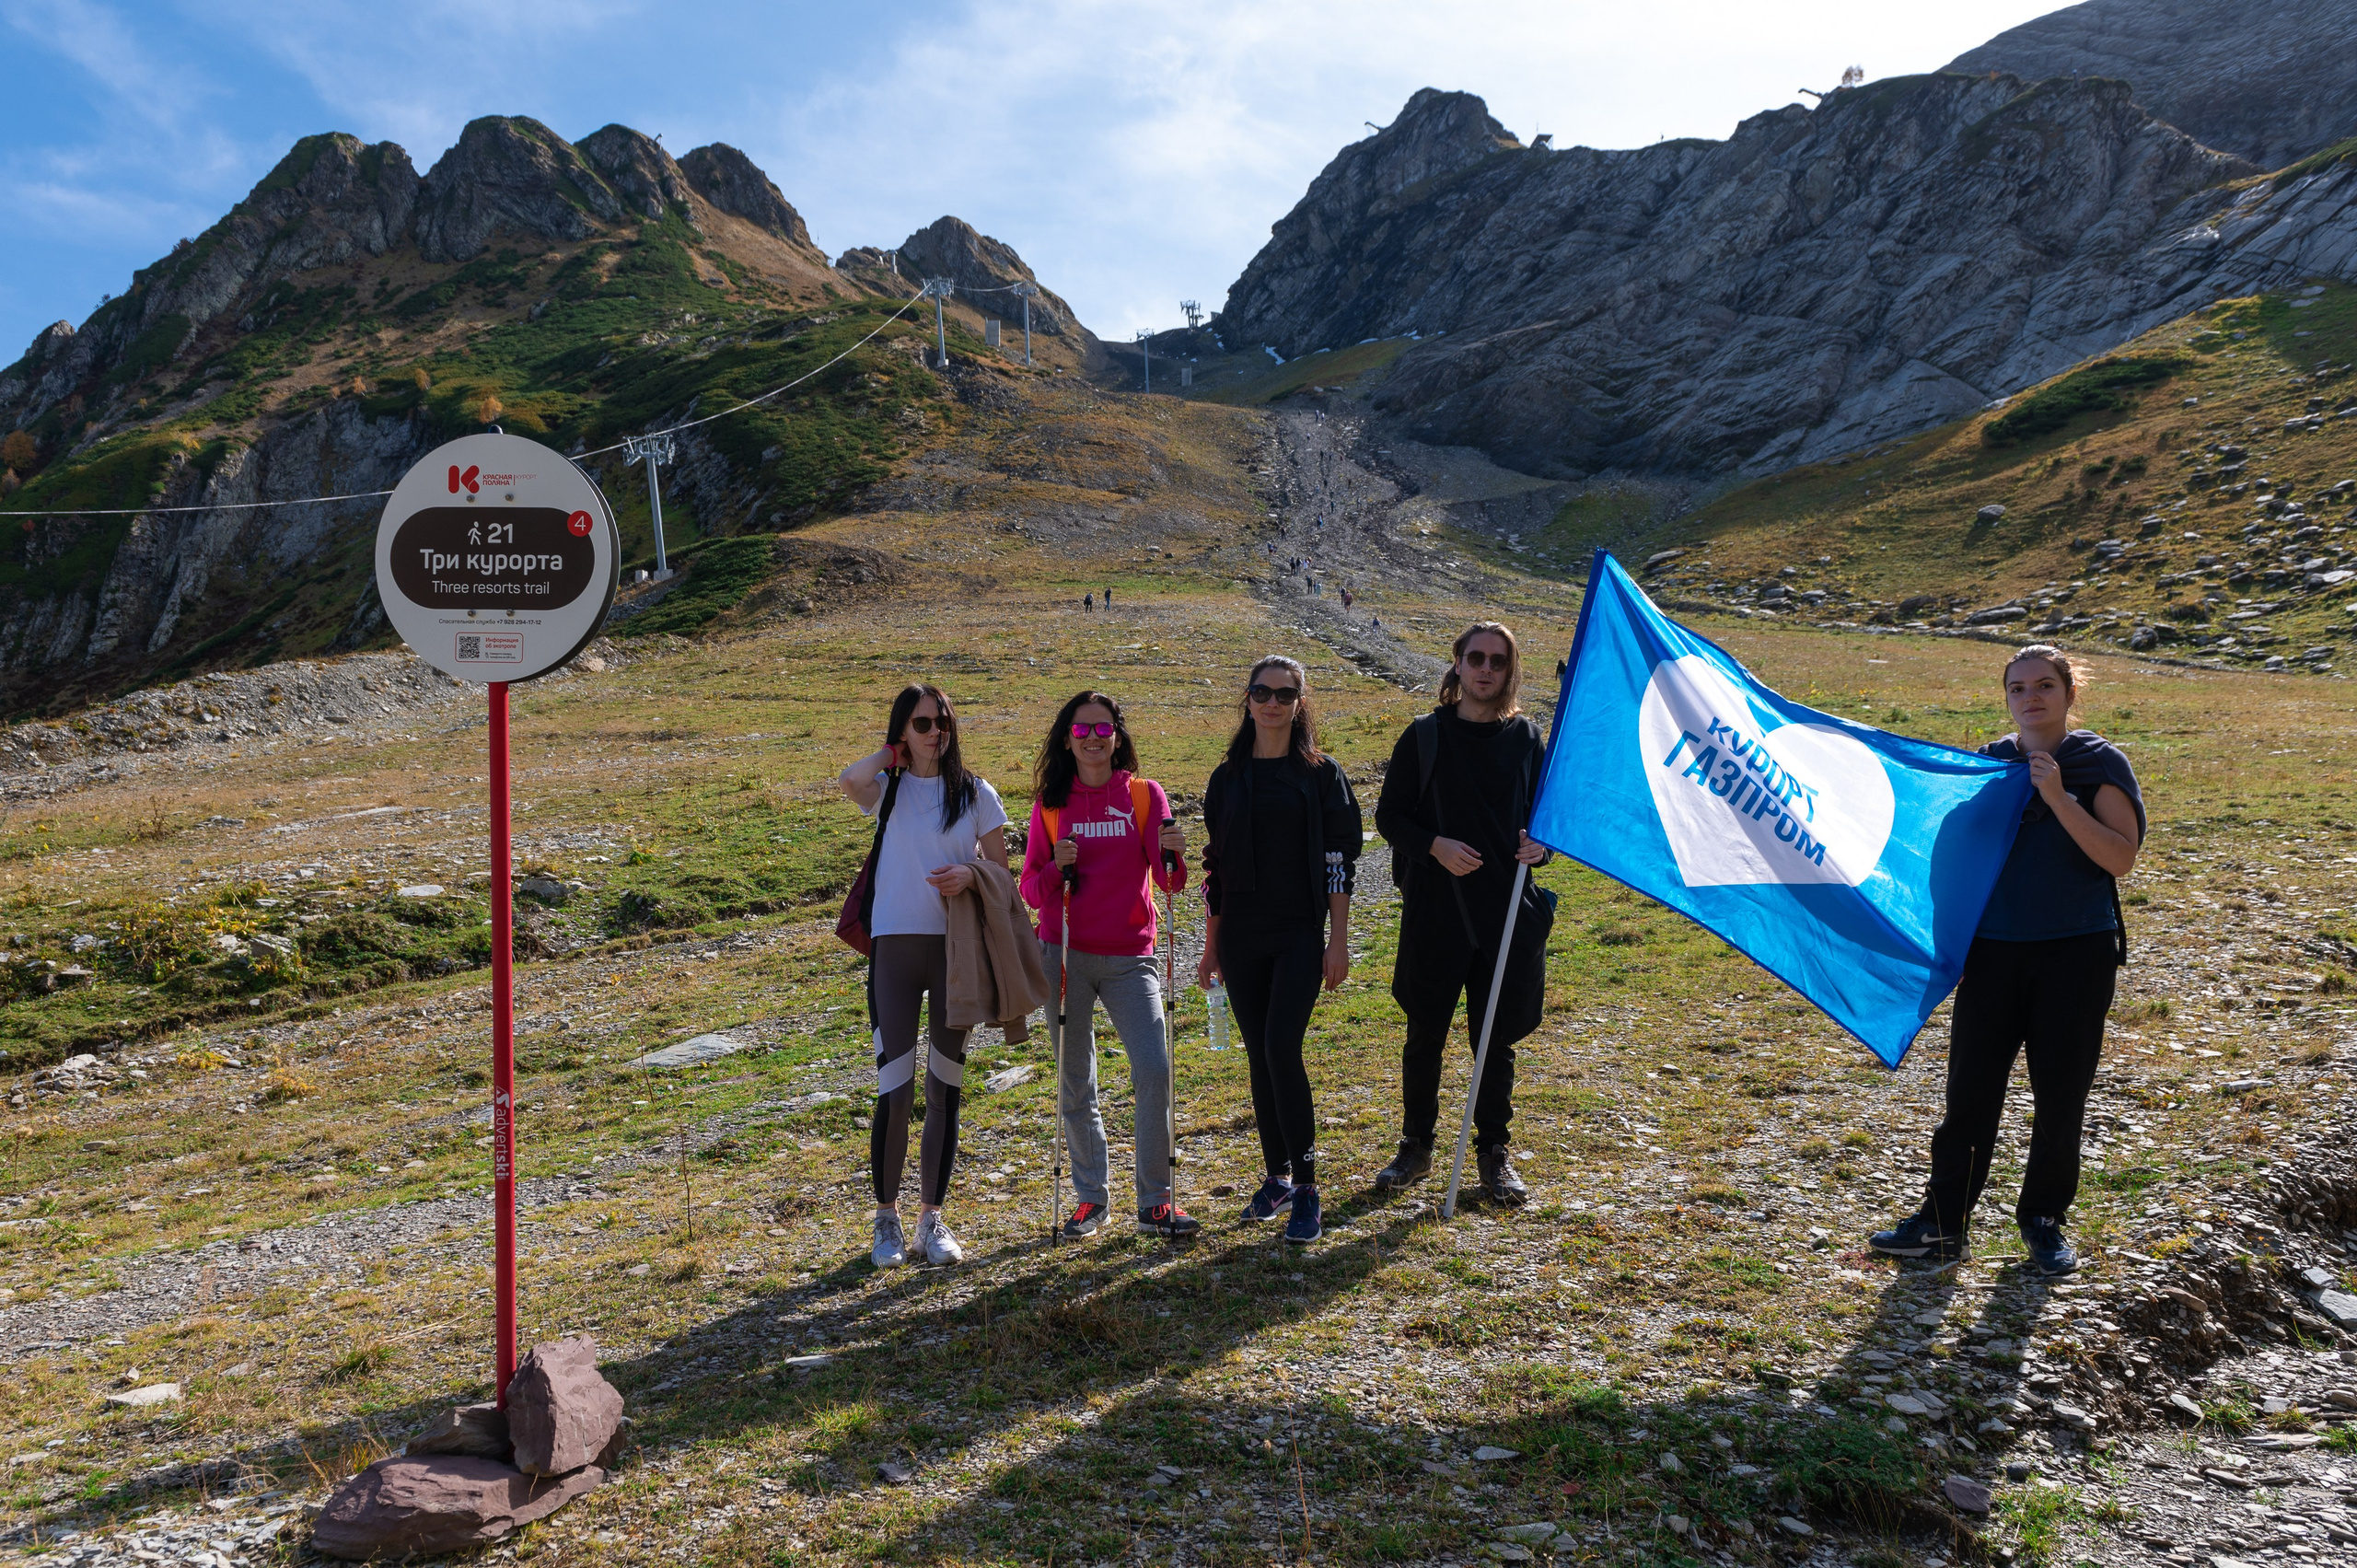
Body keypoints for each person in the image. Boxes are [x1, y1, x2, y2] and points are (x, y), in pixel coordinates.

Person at [1869, 645, 2143, 1274]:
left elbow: (2119, 857)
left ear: (2071, 693)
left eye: (2045, 685)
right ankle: (1941, 1223)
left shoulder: (2098, 763)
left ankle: (2044, 1220)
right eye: (2017, 688)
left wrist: (2057, 794)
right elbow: (1947, 855)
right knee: (1969, 1092)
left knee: (2060, 1093)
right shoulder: (1987, 767)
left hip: (2076, 954)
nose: (2031, 698)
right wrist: (1950, 943)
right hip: (1993, 955)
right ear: (2007, 699)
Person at [1372, 623, 1553, 1204]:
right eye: (1475, 657)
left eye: (1497, 661)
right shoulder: (1424, 736)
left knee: (1495, 1041)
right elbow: (1389, 816)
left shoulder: (1528, 740)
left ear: (1509, 671)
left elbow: (1549, 826)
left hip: (1505, 916)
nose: (1485, 668)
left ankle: (1493, 1156)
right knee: (1424, 1034)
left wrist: (1542, 848)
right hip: (1436, 915)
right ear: (1457, 664)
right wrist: (1434, 846)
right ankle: (1416, 1147)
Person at [836, 683, 1011, 1270]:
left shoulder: (976, 793)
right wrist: (892, 754)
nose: (934, 731)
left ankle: (930, 1221)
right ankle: (885, 1220)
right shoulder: (887, 788)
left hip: (957, 951)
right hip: (895, 948)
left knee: (944, 1087)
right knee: (896, 1087)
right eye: (920, 723)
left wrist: (971, 873)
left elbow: (1001, 873)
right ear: (903, 730)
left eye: (941, 721)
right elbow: (848, 780)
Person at [1194, 656, 1363, 1244]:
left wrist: (1337, 940)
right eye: (1262, 692)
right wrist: (1210, 948)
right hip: (1241, 936)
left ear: (1300, 702)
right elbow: (1214, 871)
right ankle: (1278, 1176)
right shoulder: (1228, 776)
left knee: (1280, 1048)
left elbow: (1340, 862)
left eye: (1285, 694)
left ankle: (1310, 1188)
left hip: (1298, 932)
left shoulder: (1321, 774)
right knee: (1259, 1056)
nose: (1273, 703)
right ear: (1247, 699)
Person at [1019, 691, 1196, 1238]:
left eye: (1102, 729)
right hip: (1063, 955)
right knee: (1076, 1082)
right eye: (1081, 730)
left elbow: (1168, 882)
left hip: (1129, 959)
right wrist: (1056, 870)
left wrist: (1176, 852)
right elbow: (1029, 889)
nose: (1092, 739)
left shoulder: (1144, 795)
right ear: (1066, 738)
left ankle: (1156, 1201)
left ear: (1117, 736)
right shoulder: (1050, 804)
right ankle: (1091, 1198)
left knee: (1154, 1068)